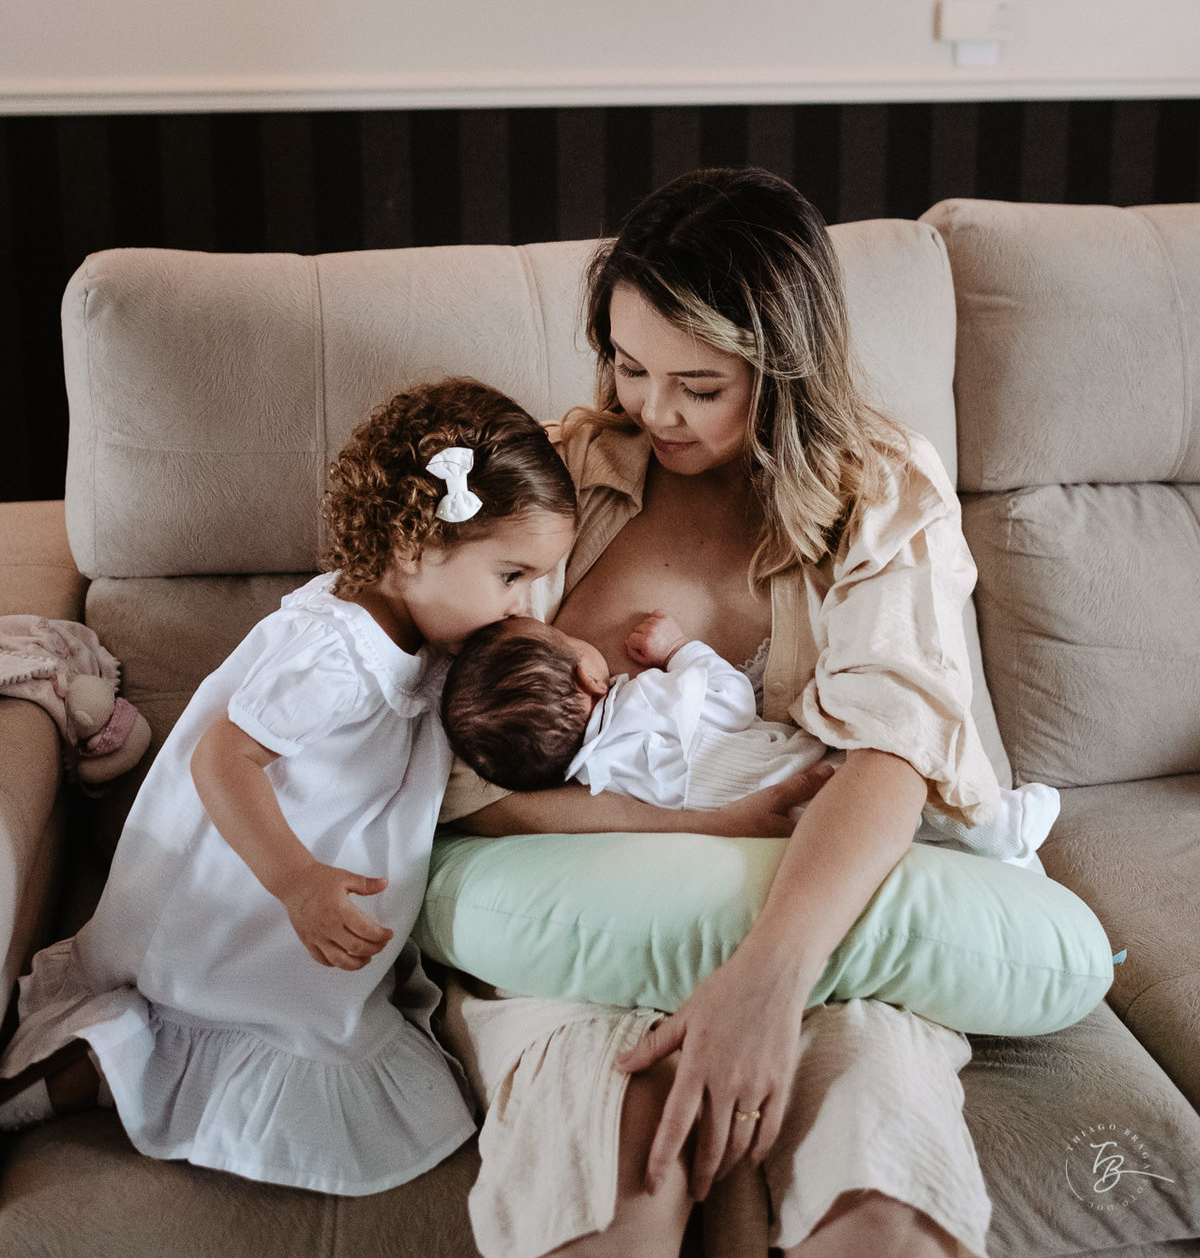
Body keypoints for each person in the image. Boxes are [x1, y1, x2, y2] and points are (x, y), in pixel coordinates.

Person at [437, 167, 1002, 1258]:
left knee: (880, 1216)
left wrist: (767, 984)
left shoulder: (880, 492)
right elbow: (459, 777)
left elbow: (896, 752)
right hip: (583, 927)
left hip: (821, 934)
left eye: (699, 384)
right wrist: (696, 830)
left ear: (784, 369)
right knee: (622, 1188)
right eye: (629, 364)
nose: (652, 410)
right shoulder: (558, 481)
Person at [0, 379, 583, 1196]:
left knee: (326, 1014)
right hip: (250, 880)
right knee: (247, 1017)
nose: (524, 602)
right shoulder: (333, 654)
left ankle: (113, 1061)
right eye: (514, 576)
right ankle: (83, 1070)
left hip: (304, 876)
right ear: (416, 550)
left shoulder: (423, 617)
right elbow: (220, 760)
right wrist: (297, 881)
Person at [441, 608, 1059, 866]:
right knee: (911, 781)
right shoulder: (643, 696)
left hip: (764, 833)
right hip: (800, 771)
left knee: (902, 845)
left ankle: (986, 850)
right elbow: (731, 702)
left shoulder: (589, 781)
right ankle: (1001, 822)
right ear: (588, 672)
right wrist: (681, 649)